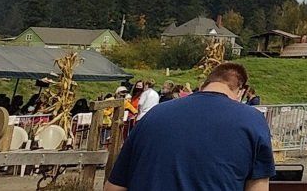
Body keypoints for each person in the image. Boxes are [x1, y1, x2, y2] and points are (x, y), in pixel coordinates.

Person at [106, 62, 273, 191]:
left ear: (203, 86)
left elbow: (114, 186)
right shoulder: (253, 120)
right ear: (241, 92)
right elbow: (258, 186)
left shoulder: (154, 114)